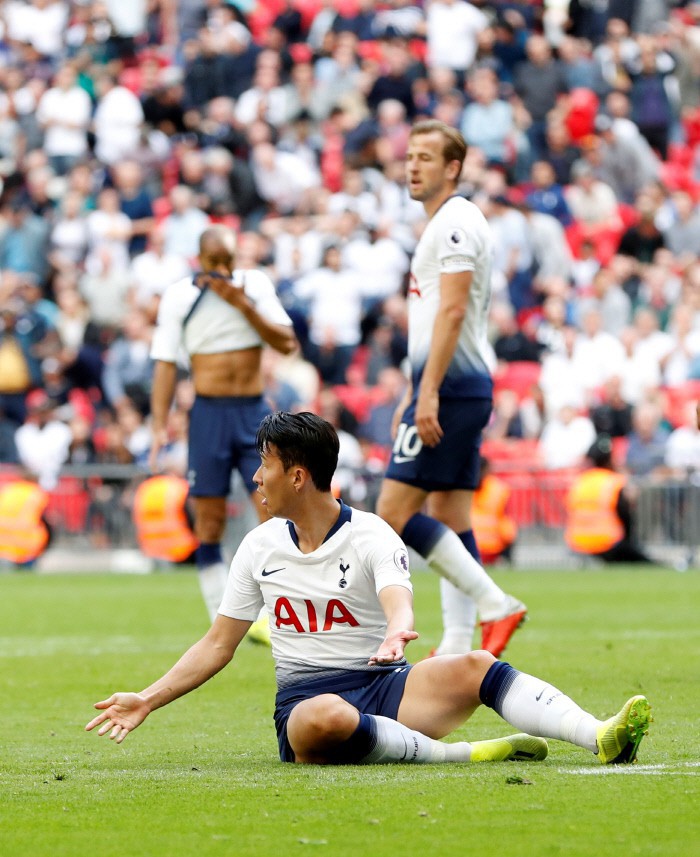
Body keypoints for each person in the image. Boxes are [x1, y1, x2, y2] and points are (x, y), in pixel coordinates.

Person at [86, 412, 652, 768]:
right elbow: (217, 645)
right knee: (322, 716)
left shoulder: (371, 532)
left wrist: (396, 628)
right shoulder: (259, 547)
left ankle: (598, 734)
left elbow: (395, 592)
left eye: (265, 465)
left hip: (388, 688)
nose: (256, 478)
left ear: (298, 475)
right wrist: (148, 699)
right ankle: (462, 756)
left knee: (476, 662)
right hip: (308, 705)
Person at [374, 120, 526, 659]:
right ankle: (461, 643)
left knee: (391, 513)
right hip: (453, 385)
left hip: (454, 388)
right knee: (450, 515)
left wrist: (428, 393)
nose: (412, 166)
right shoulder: (445, 222)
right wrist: (413, 390)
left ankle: (494, 602)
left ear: (453, 167)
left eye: (426, 158)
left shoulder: (455, 222)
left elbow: (454, 310)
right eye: (409, 156)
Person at [148, 226, 298, 622]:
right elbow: (164, 363)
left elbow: (286, 342)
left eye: (228, 262)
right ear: (200, 261)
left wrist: (244, 305)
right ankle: (221, 613)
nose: (222, 271)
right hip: (208, 412)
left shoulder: (255, 286)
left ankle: (278, 606)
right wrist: (159, 424)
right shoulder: (181, 296)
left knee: (273, 508)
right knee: (209, 518)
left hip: (252, 411)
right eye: (214, 263)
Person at [565, 435, 653, 564]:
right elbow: (625, 514)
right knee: (644, 561)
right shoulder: (613, 481)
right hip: (607, 542)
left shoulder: (579, 481)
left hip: (577, 542)